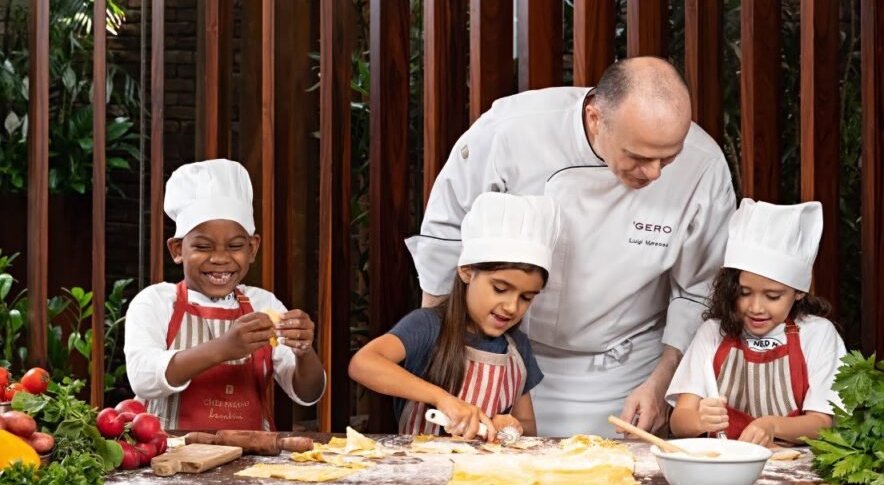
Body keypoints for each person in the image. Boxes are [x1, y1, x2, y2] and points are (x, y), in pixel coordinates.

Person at [406, 56, 735, 437]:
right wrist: (441, 352)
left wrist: (663, 382)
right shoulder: (510, 131)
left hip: (628, 372)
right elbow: (446, 240)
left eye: (669, 157)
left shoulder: (705, 164)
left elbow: (699, 289)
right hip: (505, 356)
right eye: (638, 156)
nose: (654, 172)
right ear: (595, 119)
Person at [124, 159, 325, 430]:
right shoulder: (156, 302)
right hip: (170, 456)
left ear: (252, 249)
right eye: (203, 246)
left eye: (235, 246)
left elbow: (307, 394)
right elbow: (143, 378)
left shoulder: (263, 304)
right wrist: (224, 348)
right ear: (177, 250)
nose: (220, 258)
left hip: (251, 459)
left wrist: (304, 352)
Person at [349, 192, 560, 441]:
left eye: (526, 297)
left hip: (486, 477)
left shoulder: (517, 348)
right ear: (467, 272)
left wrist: (510, 427)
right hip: (422, 474)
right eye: (500, 289)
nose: (512, 307)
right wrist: (442, 399)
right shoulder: (428, 326)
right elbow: (362, 364)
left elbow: (529, 428)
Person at [665, 199, 845, 447]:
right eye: (744, 292)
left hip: (790, 466)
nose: (756, 308)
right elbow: (679, 421)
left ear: (799, 292)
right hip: (723, 465)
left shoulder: (817, 333)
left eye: (773, 296)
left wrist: (772, 425)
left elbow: (822, 423)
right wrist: (700, 420)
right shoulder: (713, 333)